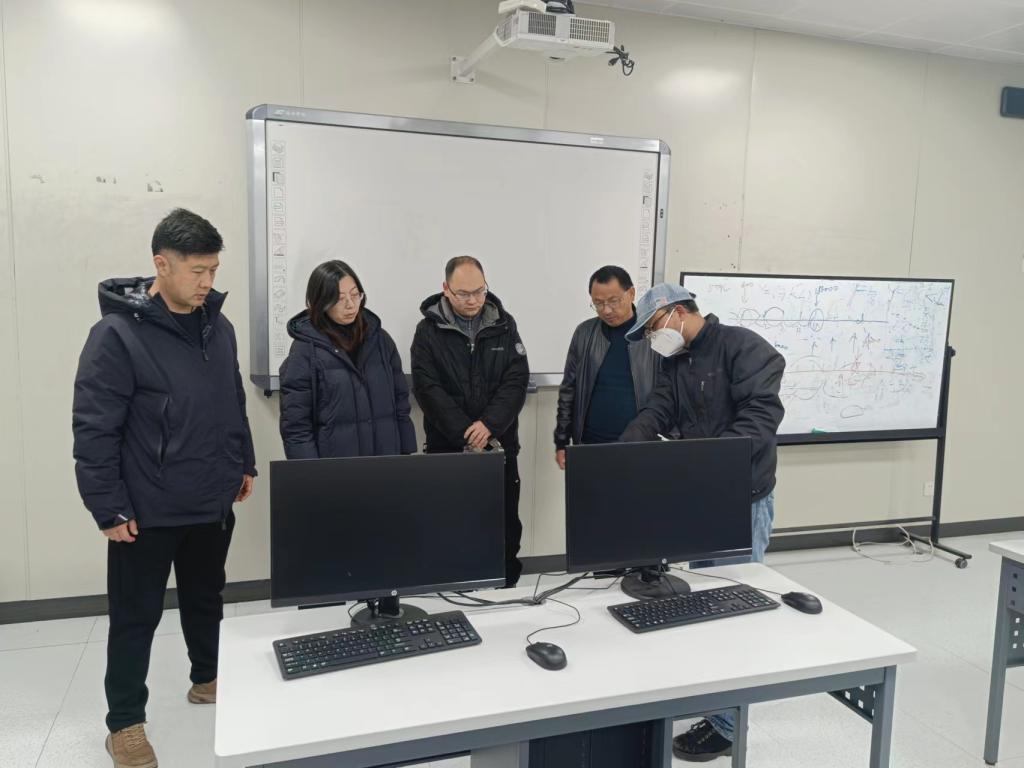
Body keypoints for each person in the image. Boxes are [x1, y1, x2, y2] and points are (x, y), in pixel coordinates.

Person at [72, 208, 256, 768]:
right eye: (198, 270)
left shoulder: (218, 327)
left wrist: (243, 463)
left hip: (209, 496)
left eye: (214, 269)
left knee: (206, 598)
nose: (208, 282)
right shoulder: (116, 335)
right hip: (145, 508)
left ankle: (208, 679)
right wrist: (107, 507)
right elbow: (94, 427)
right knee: (136, 617)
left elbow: (231, 400)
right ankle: (125, 724)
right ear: (162, 264)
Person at [619, 282, 785, 763]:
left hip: (743, 499)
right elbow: (659, 409)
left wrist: (708, 463)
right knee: (706, 602)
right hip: (702, 498)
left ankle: (728, 726)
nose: (654, 338)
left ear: (676, 312)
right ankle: (713, 700)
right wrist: (624, 448)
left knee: (735, 607)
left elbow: (759, 419)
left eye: (653, 327)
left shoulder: (743, 347)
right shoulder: (675, 361)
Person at [411, 256, 529, 586]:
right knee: (450, 524)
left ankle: (506, 588)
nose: (473, 300)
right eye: (464, 294)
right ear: (446, 289)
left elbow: (517, 379)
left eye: (479, 291)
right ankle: (451, 588)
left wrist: (489, 424)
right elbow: (427, 388)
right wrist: (466, 432)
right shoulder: (428, 331)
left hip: (499, 446)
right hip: (448, 449)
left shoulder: (504, 324)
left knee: (503, 525)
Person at [279, 260, 416, 459]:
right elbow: (296, 425)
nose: (350, 304)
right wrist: (309, 472)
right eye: (339, 298)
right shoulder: (305, 350)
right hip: (334, 468)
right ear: (320, 301)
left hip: (385, 462)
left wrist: (406, 457)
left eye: (355, 295)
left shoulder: (380, 340)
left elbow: (401, 404)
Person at [554, 265, 659, 468]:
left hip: (641, 446)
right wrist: (562, 441)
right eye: (598, 303)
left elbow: (669, 394)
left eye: (613, 301)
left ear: (631, 293)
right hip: (590, 444)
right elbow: (569, 390)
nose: (606, 310)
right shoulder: (584, 333)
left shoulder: (654, 334)